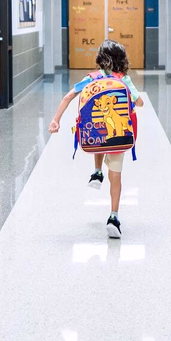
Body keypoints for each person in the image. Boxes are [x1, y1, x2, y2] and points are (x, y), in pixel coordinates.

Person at [48, 40, 144, 238]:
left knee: (98, 135)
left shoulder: (91, 78)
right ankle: (114, 217)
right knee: (116, 174)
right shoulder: (124, 79)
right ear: (122, 59)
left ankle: (97, 171)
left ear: (100, 58)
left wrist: (55, 120)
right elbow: (140, 102)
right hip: (119, 136)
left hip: (95, 135)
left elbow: (68, 97)